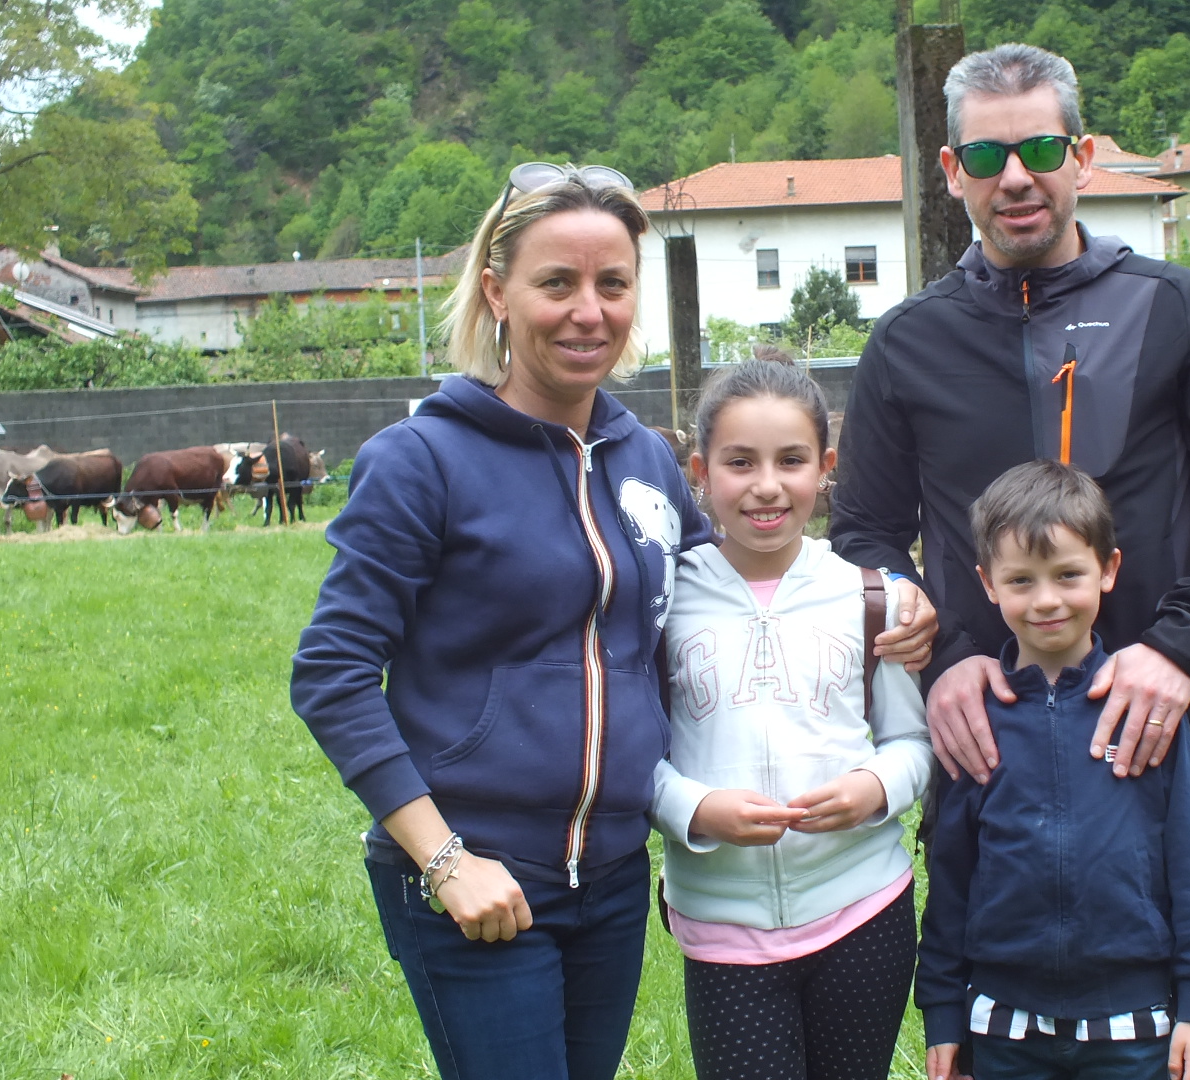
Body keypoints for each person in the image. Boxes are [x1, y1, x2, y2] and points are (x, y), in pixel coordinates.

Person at [291, 163, 937, 1080]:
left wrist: (891, 595)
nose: (588, 311)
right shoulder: (421, 460)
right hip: (480, 874)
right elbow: (332, 673)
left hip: (612, 879)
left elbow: (733, 593)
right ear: (497, 292)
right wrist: (443, 860)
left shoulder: (646, 461)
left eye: (613, 284)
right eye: (556, 282)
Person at [829, 44, 1190, 1080]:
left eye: (1041, 149)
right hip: (989, 741)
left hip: (1161, 727)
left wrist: (1177, 646)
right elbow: (863, 535)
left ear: (1082, 157)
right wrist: (942, 658)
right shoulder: (907, 343)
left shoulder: (1175, 308)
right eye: (986, 156)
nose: (1016, 177)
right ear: (951, 172)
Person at [652, 359, 934, 1080]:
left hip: (865, 912)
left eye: (791, 460)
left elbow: (911, 741)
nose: (767, 485)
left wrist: (876, 788)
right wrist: (693, 808)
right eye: (740, 462)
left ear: (825, 469)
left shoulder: (873, 598)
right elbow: (636, 753)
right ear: (700, 471)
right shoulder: (664, 601)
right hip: (724, 930)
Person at [916, 460, 1190, 1080]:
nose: (1046, 600)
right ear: (987, 583)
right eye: (1021, 580)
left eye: (1068, 574)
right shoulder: (975, 722)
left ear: (1108, 569)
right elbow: (950, 878)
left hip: (1133, 1024)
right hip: (1004, 1024)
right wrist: (944, 1012)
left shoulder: (1145, 711)